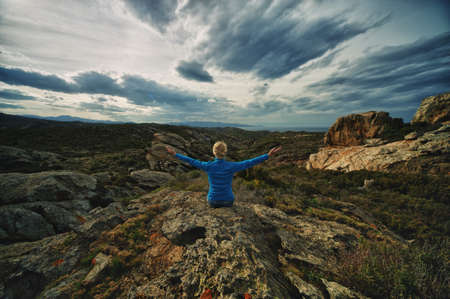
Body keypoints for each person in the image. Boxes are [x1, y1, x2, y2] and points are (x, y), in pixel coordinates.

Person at [166, 141, 282, 208]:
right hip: (228, 200)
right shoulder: (231, 166)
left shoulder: (208, 166)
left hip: (213, 201)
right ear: (225, 152)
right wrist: (267, 155)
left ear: (214, 152)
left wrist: (175, 154)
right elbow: (249, 162)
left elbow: (191, 160)